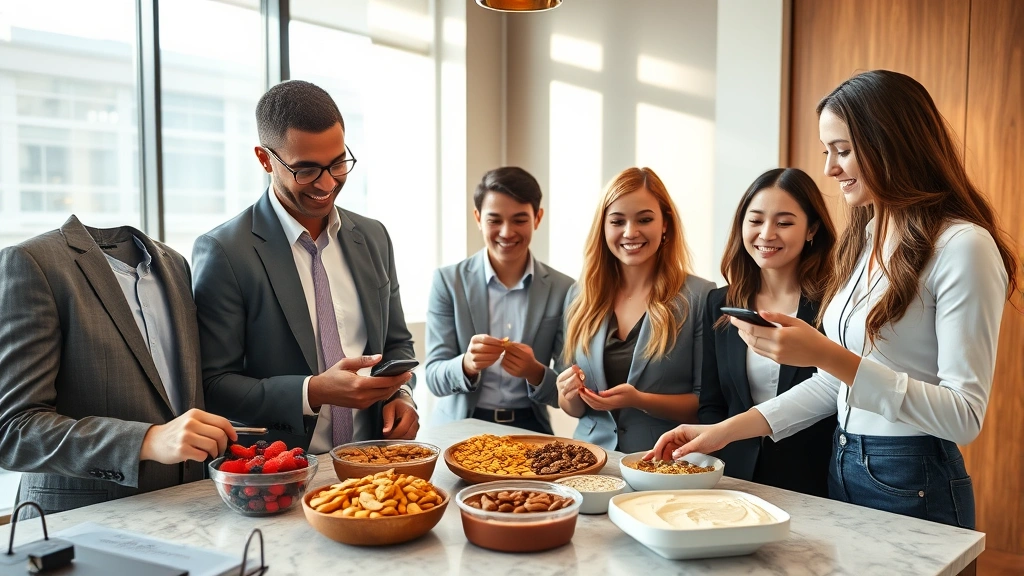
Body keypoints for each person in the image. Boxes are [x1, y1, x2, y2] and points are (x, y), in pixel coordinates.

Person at [650, 70, 1019, 529]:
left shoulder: (964, 245)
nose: (829, 168)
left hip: (912, 474)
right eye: (828, 151)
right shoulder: (867, 237)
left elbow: (964, 416)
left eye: (842, 151)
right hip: (843, 463)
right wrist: (723, 432)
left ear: (892, 143)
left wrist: (823, 353)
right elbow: (837, 386)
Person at [193, 80, 419, 455]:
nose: (328, 183)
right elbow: (212, 384)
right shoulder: (224, 251)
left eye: (337, 163)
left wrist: (402, 394)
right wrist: (311, 391)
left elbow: (396, 344)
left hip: (373, 465)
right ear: (265, 159)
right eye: (306, 170)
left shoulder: (373, 236)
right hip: (277, 474)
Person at [0, 217, 236, 516]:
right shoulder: (32, 262)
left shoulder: (176, 264)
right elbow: (13, 430)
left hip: (188, 512)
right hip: (82, 523)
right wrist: (146, 440)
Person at [555, 167, 715, 453]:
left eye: (644, 219)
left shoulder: (699, 296)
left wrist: (638, 399)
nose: (631, 232)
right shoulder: (579, 296)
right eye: (618, 221)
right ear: (603, 227)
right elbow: (576, 411)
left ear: (665, 223)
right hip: (589, 461)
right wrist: (567, 393)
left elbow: (706, 404)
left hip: (664, 462)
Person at [700, 168, 837, 497]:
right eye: (756, 220)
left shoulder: (834, 304)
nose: (766, 234)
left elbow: (836, 397)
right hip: (733, 481)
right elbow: (711, 404)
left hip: (814, 481)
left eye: (784, 223)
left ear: (811, 230)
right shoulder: (720, 302)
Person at [425, 167, 573, 434]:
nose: (507, 232)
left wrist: (535, 372)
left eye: (519, 220)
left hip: (531, 428)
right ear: (478, 218)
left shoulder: (564, 289)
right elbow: (433, 377)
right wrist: (467, 364)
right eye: (495, 220)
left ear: (537, 218)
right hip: (460, 426)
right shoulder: (448, 282)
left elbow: (569, 390)